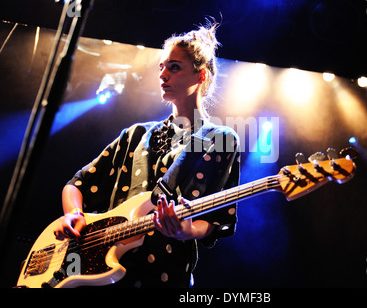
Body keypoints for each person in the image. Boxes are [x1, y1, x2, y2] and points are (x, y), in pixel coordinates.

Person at [53, 20, 240, 288]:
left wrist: (184, 230)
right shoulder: (136, 134)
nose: (163, 75)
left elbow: (218, 220)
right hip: (101, 273)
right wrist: (73, 214)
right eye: (161, 67)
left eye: (174, 68)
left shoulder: (221, 139)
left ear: (201, 76)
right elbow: (77, 184)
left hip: (164, 274)